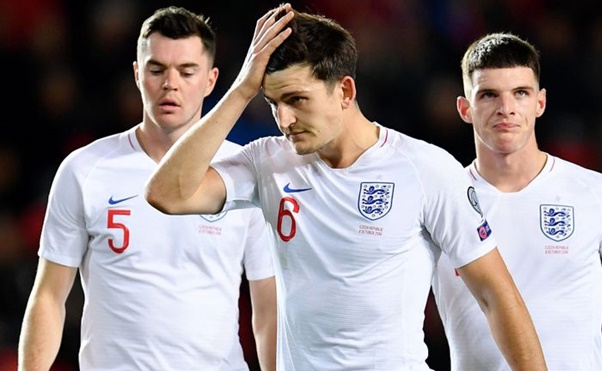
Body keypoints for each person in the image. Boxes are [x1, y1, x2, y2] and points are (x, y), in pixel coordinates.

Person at [144, 5, 547, 370]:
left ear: (345, 91)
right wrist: (242, 88)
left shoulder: (424, 169)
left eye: (297, 99)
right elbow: (167, 193)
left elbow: (497, 297)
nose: (284, 119)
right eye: (272, 103)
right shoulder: (268, 162)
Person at [17, 6, 277, 371]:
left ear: (211, 80)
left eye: (187, 71)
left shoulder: (243, 172)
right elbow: (48, 295)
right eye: (157, 69)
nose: (171, 83)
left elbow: (268, 304)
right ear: (138, 75)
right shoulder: (85, 168)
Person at [433, 32, 602, 370]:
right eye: (489, 95)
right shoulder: (439, 202)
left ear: (540, 102)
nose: (506, 108)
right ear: (465, 109)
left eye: (520, 93)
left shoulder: (596, 192)